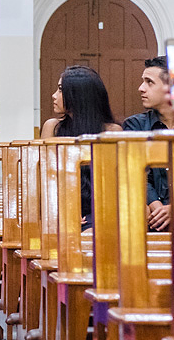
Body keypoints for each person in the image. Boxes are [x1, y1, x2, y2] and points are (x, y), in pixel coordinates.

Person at [40, 65, 122, 229]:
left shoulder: (112, 131)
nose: (54, 96)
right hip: (60, 205)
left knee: (94, 233)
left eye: (60, 90)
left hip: (100, 207)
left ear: (78, 95)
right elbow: (46, 176)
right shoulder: (53, 127)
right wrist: (65, 208)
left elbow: (114, 182)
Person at [121, 55, 174, 231]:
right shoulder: (134, 125)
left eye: (149, 82)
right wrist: (158, 208)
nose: (141, 88)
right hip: (150, 218)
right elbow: (135, 172)